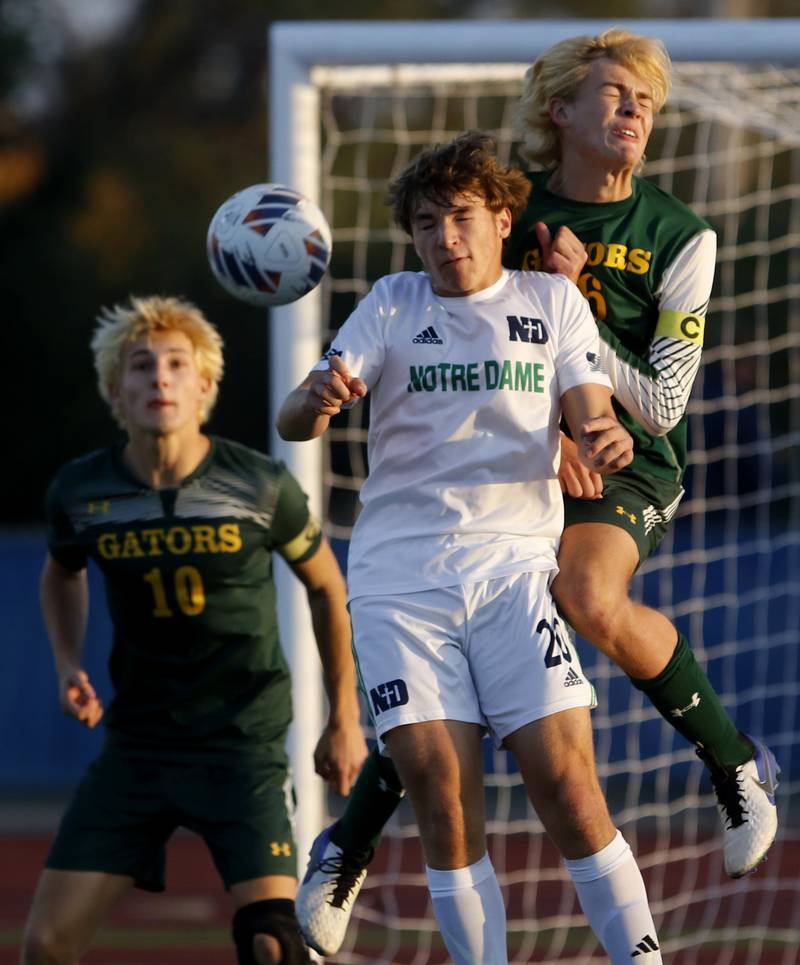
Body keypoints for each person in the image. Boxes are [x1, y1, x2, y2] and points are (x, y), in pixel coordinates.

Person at [294, 27, 780, 958]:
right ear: (560, 111)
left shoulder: (685, 234)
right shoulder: (504, 211)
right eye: (616, 94)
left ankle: (735, 764)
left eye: (647, 97)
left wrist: (583, 320)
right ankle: (348, 849)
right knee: (444, 691)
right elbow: (486, 339)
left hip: (628, 454)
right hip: (527, 456)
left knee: (587, 593)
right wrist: (544, 424)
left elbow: (669, 401)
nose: (636, 110)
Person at [278, 131, 664, 965]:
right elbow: (293, 418)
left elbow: (589, 403)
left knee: (568, 787)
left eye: (460, 217)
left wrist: (601, 435)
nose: (444, 239)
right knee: (445, 801)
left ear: (500, 217)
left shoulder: (552, 301)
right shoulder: (392, 303)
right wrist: (315, 399)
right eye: (425, 223)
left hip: (515, 574)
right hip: (401, 583)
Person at [19, 295, 367, 965]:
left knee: (273, 943)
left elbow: (327, 585)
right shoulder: (80, 490)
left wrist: (343, 717)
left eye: (177, 364)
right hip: (139, 746)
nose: (160, 378)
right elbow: (61, 573)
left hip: (242, 747)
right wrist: (68, 665)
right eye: (141, 365)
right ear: (114, 387)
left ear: (205, 385)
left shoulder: (258, 483)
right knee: (45, 945)